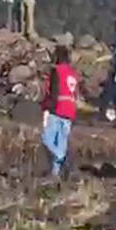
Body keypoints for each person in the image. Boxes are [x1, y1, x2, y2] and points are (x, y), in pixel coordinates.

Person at [40, 45, 79, 178]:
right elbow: (76, 94)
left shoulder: (56, 71)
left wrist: (47, 107)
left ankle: (62, 158)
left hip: (57, 109)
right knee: (61, 142)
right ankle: (55, 174)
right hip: (70, 111)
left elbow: (54, 91)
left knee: (46, 139)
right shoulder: (73, 73)